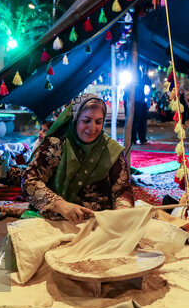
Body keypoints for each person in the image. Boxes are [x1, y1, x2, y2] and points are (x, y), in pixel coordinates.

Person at [22, 93, 134, 222]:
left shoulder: (111, 150)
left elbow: (122, 190)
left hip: (100, 222)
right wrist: (61, 205)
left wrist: (121, 210)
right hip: (59, 218)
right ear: (75, 119)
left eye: (99, 122)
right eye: (86, 121)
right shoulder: (56, 144)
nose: (93, 128)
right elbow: (29, 181)